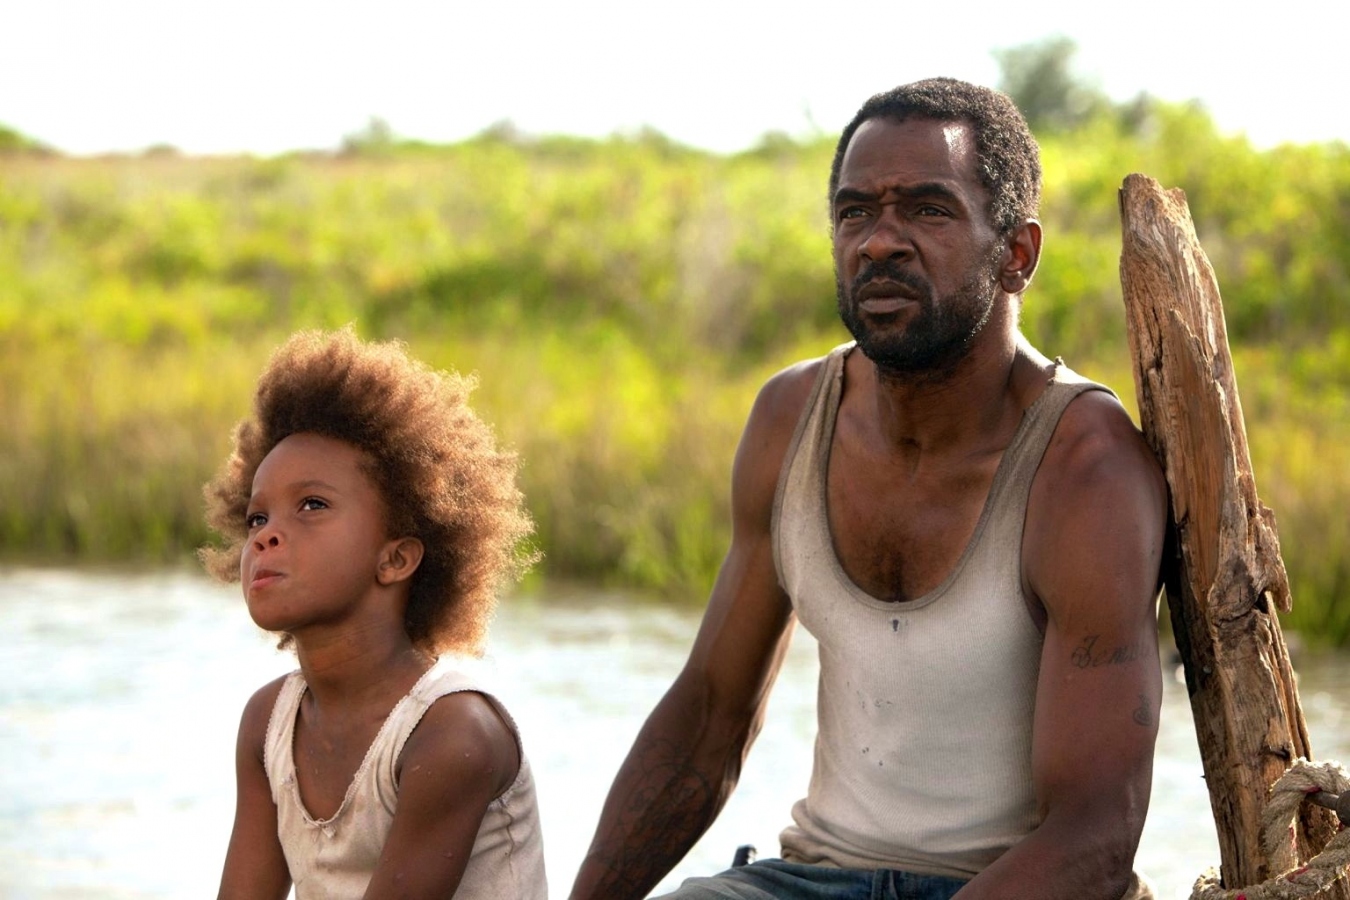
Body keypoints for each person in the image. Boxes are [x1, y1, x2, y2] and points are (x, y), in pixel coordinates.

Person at [569, 78, 1168, 900]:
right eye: (855, 213)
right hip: (811, 878)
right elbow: (708, 717)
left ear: (1017, 255)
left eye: (927, 210)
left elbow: (1094, 835)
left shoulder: (1084, 466)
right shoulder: (791, 418)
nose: (880, 242)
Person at [204, 328, 547, 900]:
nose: (266, 536)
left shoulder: (451, 733)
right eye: (257, 518)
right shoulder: (268, 724)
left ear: (395, 558)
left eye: (312, 505)